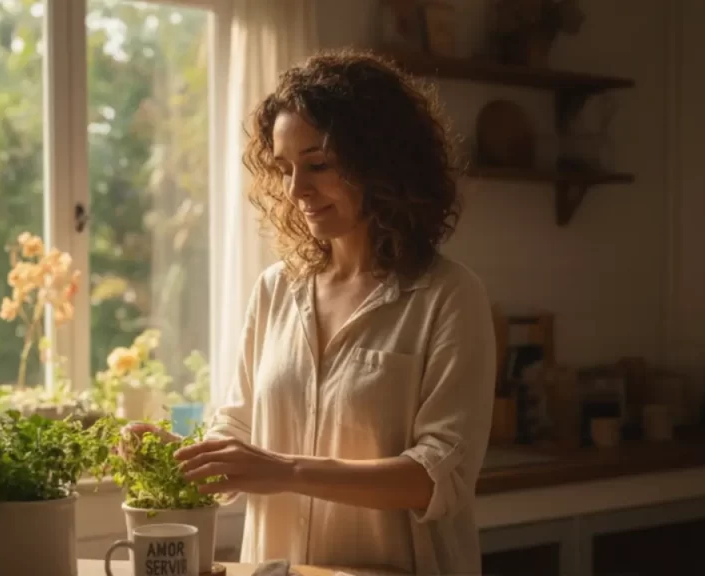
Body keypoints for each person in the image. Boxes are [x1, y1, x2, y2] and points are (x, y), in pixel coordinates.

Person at [126, 49, 496, 575]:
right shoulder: (275, 290)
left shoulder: (449, 297)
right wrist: (179, 457)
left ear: (382, 161)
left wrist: (284, 470)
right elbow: (237, 433)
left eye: (318, 165)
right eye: (284, 169)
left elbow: (435, 479)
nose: (297, 189)